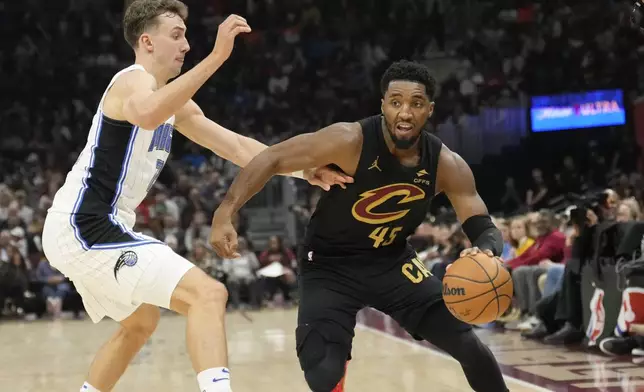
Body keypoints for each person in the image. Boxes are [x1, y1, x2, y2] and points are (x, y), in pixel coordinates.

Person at [41, 2, 348, 392]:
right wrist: (218, 55)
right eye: (177, 35)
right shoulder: (132, 80)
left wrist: (305, 171)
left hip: (90, 227)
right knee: (207, 294)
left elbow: (237, 147)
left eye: (186, 34)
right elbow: (146, 113)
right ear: (147, 41)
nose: (186, 44)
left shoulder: (175, 105)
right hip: (84, 223)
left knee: (141, 323)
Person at [210, 60, 509, 392]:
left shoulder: (445, 164)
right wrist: (227, 211)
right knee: (323, 372)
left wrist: (488, 250)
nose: (405, 113)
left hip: (392, 262)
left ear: (429, 110)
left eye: (416, 104)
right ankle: (336, 346)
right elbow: (273, 157)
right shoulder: (349, 139)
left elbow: (481, 224)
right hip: (329, 264)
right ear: (383, 105)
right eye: (396, 102)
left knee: (467, 344)